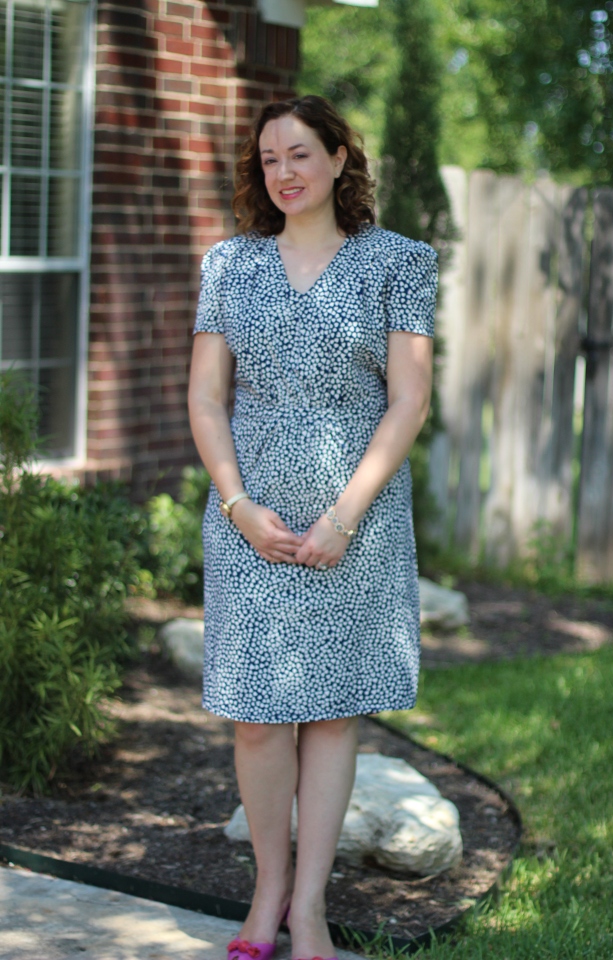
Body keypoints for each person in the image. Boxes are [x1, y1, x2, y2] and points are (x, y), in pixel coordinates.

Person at [188, 95, 437, 960]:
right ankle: (265, 896)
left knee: (332, 715)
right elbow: (205, 397)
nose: (284, 173)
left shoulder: (398, 262)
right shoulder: (228, 264)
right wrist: (236, 503)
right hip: (250, 521)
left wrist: (342, 516)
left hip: (353, 524)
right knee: (257, 717)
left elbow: (408, 401)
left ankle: (309, 911)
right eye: (269, 160)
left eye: (300, 154)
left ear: (339, 159)